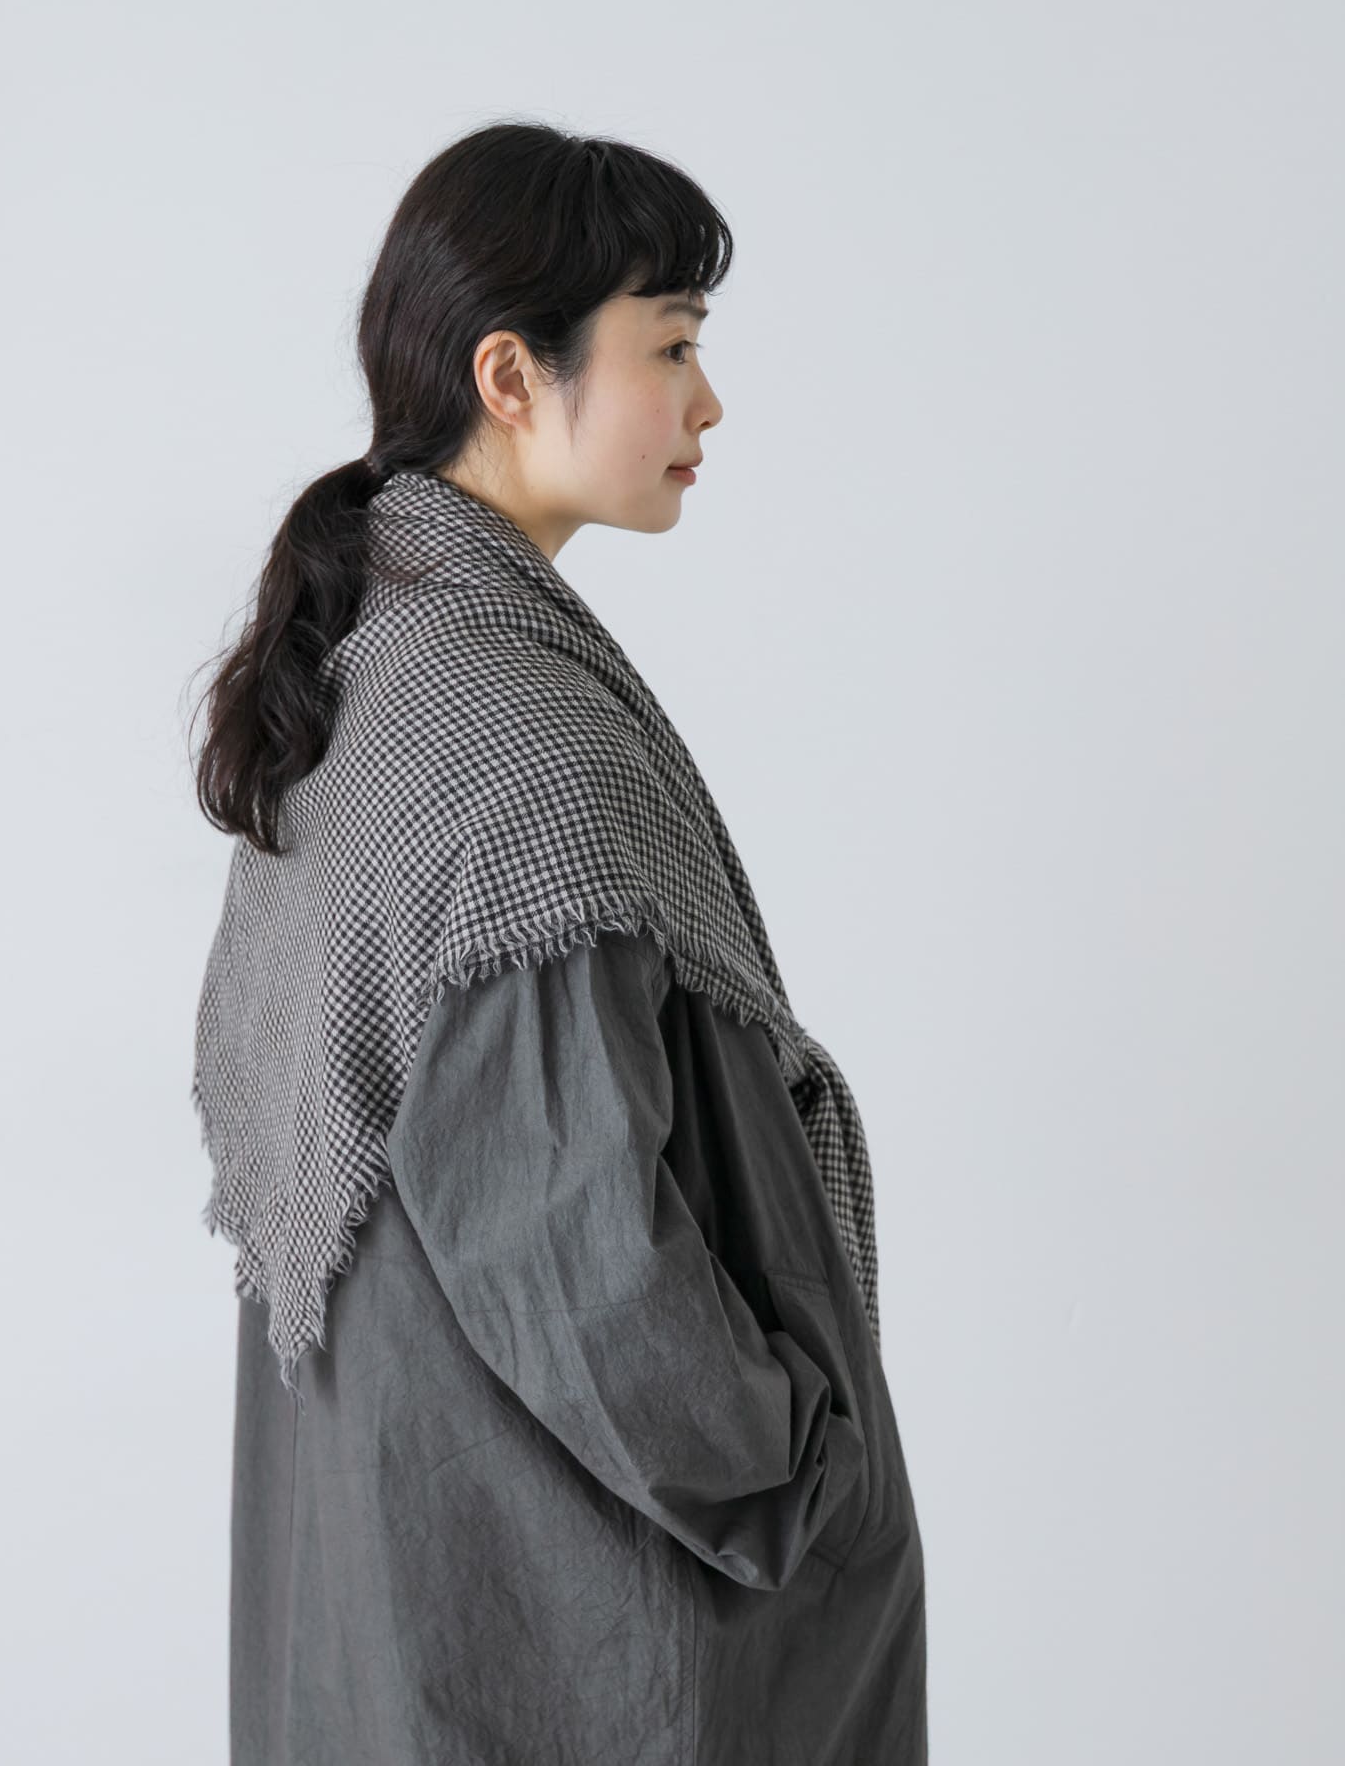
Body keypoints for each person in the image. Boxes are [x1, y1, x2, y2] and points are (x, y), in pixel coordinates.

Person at [190, 118, 929, 1765]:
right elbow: (572, 1245)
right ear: (512, 376)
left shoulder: (371, 667)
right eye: (671, 347)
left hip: (417, 1581)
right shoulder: (511, 741)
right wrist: (801, 1469)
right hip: (573, 1622)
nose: (708, 404)